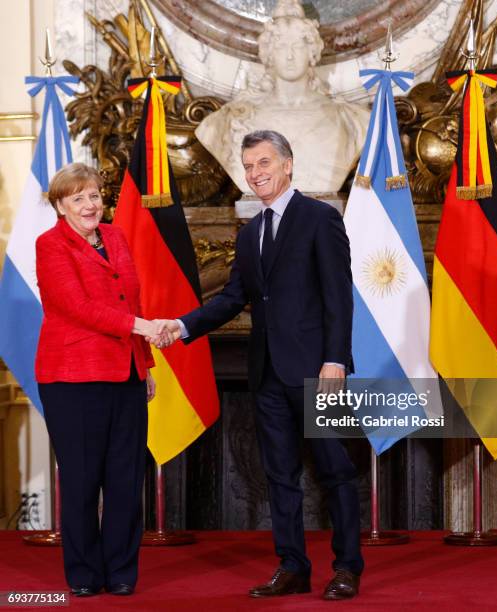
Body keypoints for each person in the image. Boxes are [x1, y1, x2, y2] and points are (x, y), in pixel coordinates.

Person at [155, 131, 363, 600]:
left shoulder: (320, 219)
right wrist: (182, 325)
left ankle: (348, 567)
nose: (255, 173)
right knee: (279, 474)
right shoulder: (250, 233)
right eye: (249, 166)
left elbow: (339, 297)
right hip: (267, 373)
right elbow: (233, 299)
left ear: (288, 165)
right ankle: (293, 566)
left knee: (335, 469)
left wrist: (336, 361)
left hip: (316, 371)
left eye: (264, 163)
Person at [35, 163, 167, 597]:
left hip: (126, 371)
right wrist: (144, 327)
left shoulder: (115, 236)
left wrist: (144, 364)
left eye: (94, 195)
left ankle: (122, 571)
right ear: (60, 205)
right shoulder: (50, 245)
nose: (90, 205)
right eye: (78, 198)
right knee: (82, 479)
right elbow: (77, 306)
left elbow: (132, 296)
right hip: (73, 378)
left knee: (126, 479)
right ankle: (84, 574)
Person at [195, 0, 369, 195]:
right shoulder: (230, 121)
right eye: (281, 46)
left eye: (298, 46)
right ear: (268, 53)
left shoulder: (352, 120)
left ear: (312, 52)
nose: (289, 56)